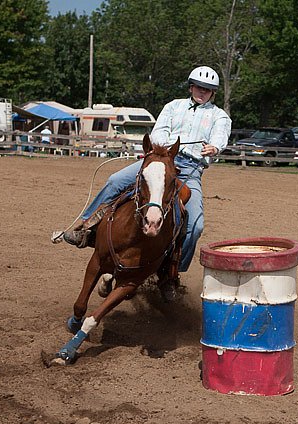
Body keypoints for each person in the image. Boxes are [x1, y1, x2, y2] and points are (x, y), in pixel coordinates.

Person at [53, 66, 232, 300]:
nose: (202, 92)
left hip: (189, 169)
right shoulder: (173, 107)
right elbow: (159, 132)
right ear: (191, 87)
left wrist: (215, 147)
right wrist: (164, 150)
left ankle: (172, 273)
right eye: (199, 87)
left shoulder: (219, 116)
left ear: (213, 93)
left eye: (208, 90)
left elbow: (221, 136)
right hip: (159, 159)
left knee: (195, 224)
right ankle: (84, 228)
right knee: (115, 180)